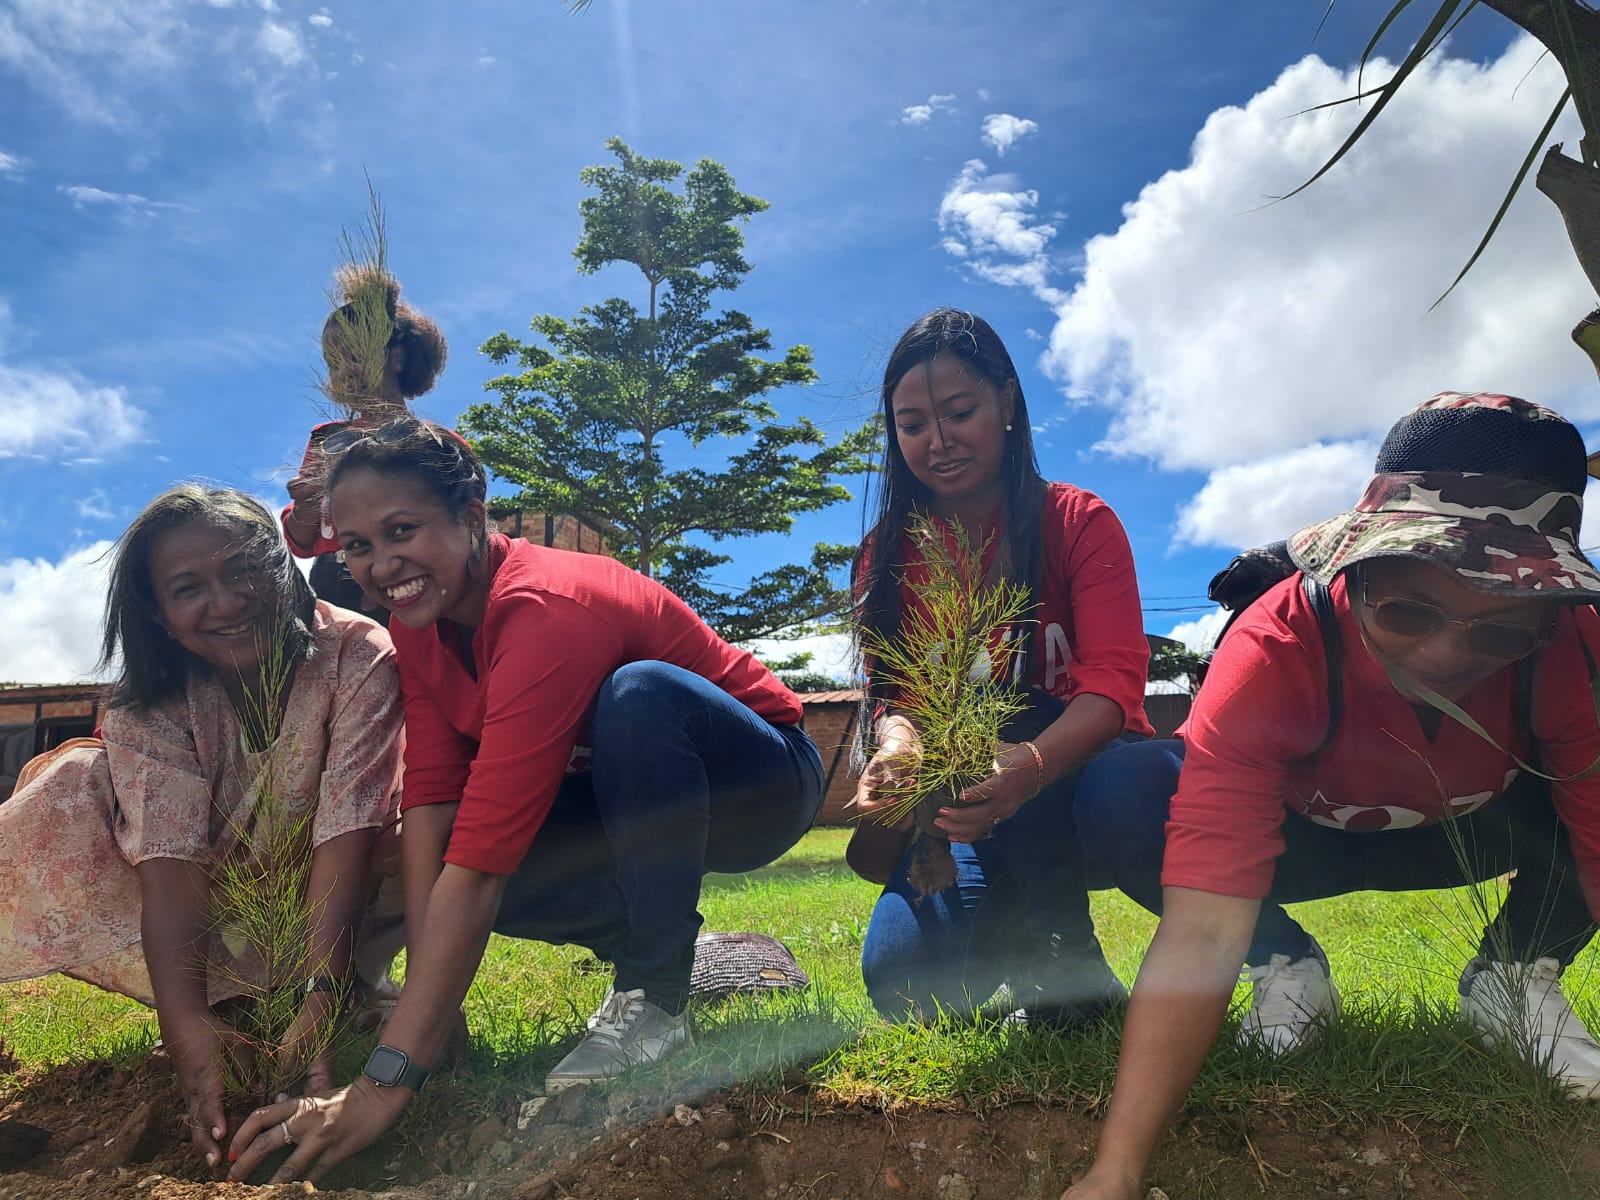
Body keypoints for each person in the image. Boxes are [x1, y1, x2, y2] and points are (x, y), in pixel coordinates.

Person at [228, 418, 825, 1183]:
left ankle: (656, 992)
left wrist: (383, 1085)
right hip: (620, 802)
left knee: (636, 696)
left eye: (401, 529)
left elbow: (480, 864)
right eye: (358, 545)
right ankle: (664, 947)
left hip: (759, 783)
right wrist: (428, 1015)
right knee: (441, 859)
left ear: (471, 519)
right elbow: (436, 803)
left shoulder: (544, 607)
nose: (382, 565)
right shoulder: (424, 616)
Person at [1064, 393, 1600, 1200]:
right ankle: (1286, 963)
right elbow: (1204, 930)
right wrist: (1116, 1172)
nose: (1448, 655)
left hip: (1476, 833)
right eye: (1411, 611)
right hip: (1302, 840)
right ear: (1358, 574)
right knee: (1121, 790)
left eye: (1499, 629)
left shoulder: (1577, 649)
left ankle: (1514, 974)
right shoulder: (1276, 646)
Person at [0, 485, 404, 1172]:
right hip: (217, 907)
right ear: (157, 614)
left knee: (432, 817)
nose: (226, 601)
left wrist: (321, 995)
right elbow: (172, 872)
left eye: (245, 569)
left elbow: (349, 834)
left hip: (343, 893)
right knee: (67, 787)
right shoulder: (149, 706)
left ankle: (343, 991)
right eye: (189, 588)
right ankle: (228, 1007)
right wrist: (186, 1027)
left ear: (282, 569)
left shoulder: (356, 656)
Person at [849, 309, 1153, 1026]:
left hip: (1086, 795)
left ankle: (1066, 955)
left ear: (1008, 403)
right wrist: (898, 748)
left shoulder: (1076, 523)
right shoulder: (885, 555)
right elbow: (893, 694)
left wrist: (1032, 766)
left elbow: (1112, 686)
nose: (938, 441)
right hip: (968, 808)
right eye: (913, 423)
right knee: (906, 987)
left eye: (960, 412)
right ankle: (1021, 933)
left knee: (1008, 706)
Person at [282, 271, 448, 611]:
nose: (343, 372)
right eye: (333, 363)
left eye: (355, 356)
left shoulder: (437, 445)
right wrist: (307, 503)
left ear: (396, 357)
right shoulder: (327, 440)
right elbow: (300, 542)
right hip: (337, 588)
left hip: (416, 582)